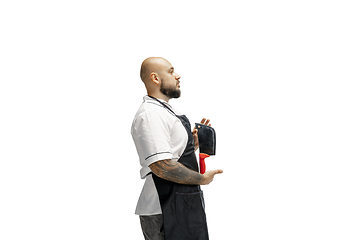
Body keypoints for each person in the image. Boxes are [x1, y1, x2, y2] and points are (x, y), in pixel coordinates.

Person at [131, 57, 223, 240]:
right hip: (164, 207)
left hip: (182, 202)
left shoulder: (165, 111)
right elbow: (161, 165)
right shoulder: (151, 114)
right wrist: (202, 178)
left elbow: (172, 155)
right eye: (171, 71)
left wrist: (192, 145)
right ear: (156, 78)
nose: (178, 76)